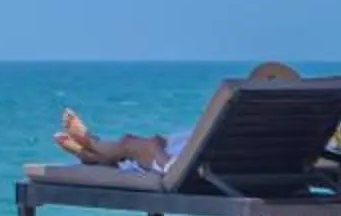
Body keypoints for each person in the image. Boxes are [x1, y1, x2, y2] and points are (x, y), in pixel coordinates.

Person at [52, 62, 303, 172]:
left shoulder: (244, 121)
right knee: (145, 145)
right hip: (234, 171)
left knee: (133, 143)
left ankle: (91, 143)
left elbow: (186, 167)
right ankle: (92, 154)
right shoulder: (292, 130)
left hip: (193, 172)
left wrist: (159, 151)